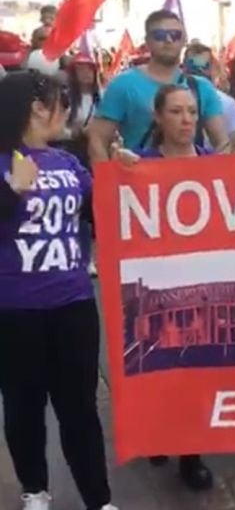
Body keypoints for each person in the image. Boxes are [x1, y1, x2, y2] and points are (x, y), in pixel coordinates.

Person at [0, 71, 118, 510]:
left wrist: (122, 173)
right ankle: (35, 491)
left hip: (73, 305)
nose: (65, 111)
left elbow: (103, 210)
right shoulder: (3, 160)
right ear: (36, 107)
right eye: (61, 103)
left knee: (79, 410)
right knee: (23, 406)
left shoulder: (67, 163)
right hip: (15, 311)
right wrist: (13, 190)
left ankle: (98, 499)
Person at [108, 85, 217, 489]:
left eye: (192, 111)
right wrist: (123, 174)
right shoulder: (141, 165)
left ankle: (192, 455)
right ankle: (157, 433)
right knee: (158, 367)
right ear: (158, 117)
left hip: (202, 284)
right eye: (176, 111)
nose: (186, 120)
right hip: (156, 286)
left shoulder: (214, 164)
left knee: (196, 373)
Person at [87, 10, 229, 163]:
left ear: (183, 40)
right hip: (139, 180)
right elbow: (98, 139)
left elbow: (223, 143)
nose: (168, 40)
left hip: (193, 181)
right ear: (147, 41)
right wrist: (109, 181)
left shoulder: (203, 87)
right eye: (160, 35)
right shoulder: (123, 85)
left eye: (175, 35)